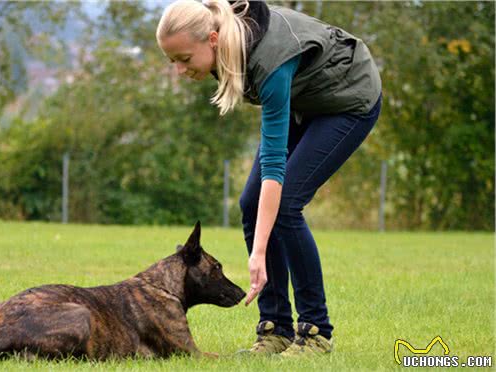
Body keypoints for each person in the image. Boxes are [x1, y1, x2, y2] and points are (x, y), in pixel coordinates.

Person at [156, 0, 382, 356]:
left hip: (348, 99)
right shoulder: (223, 31)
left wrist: (258, 253)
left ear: (213, 39)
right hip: (306, 101)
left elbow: (275, 168)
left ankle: (316, 333)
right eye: (173, 62)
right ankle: (276, 329)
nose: (180, 71)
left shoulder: (270, 62)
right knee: (250, 203)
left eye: (184, 59)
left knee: (287, 203)